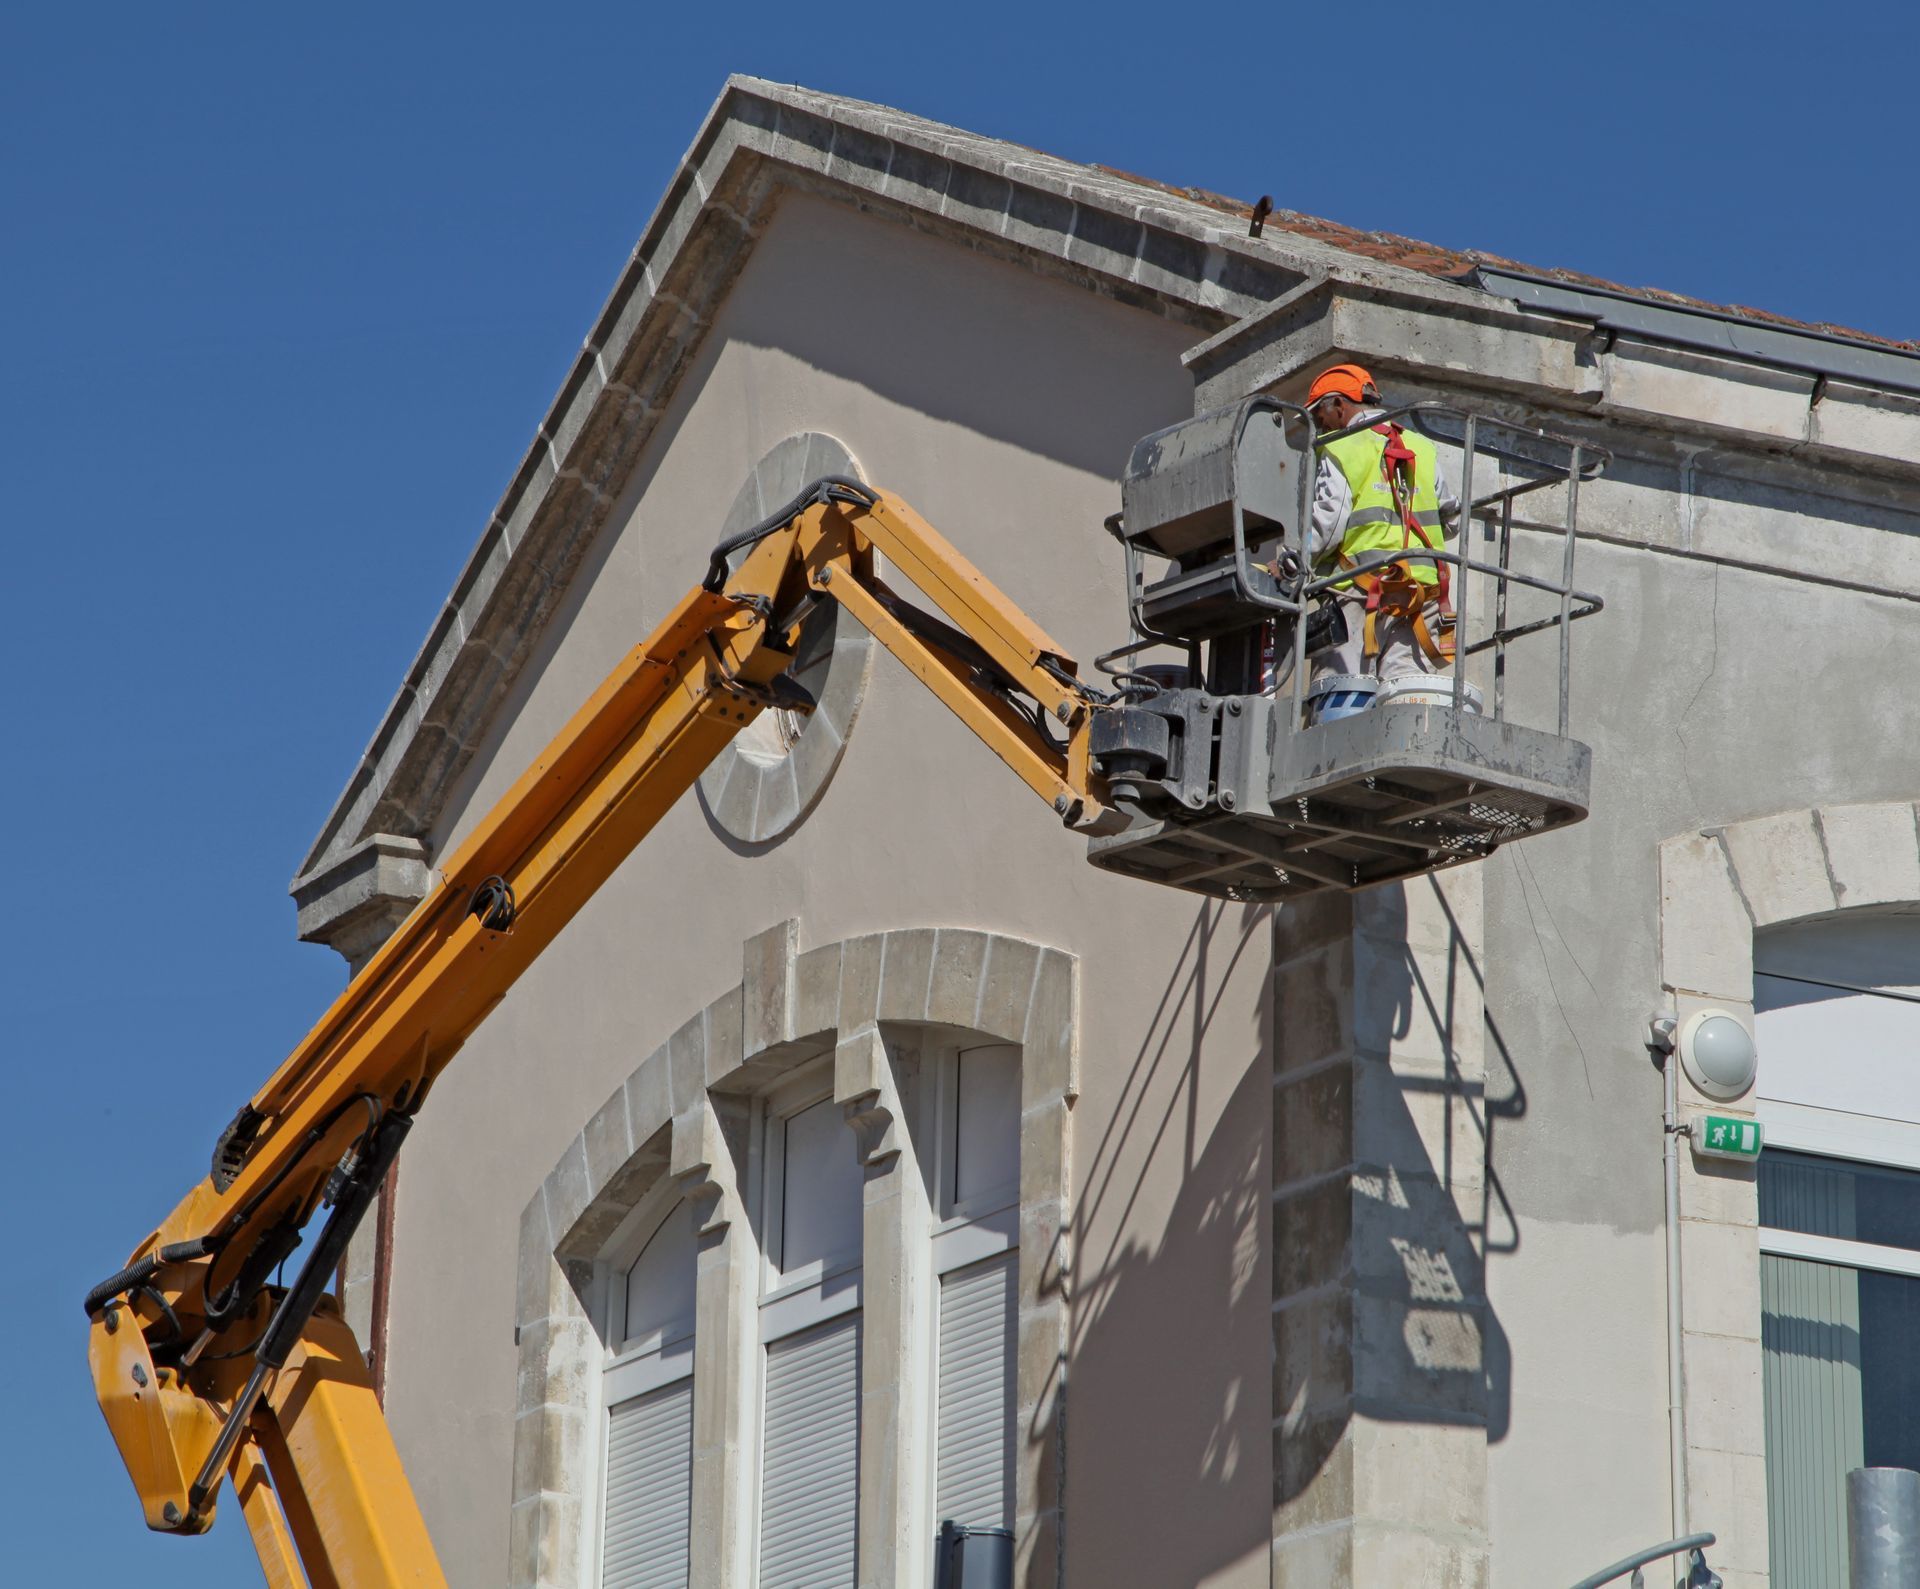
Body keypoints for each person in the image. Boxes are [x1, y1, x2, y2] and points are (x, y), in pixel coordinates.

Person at [1302, 363, 1460, 684]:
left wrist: (1294, 561)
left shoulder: (1339, 446)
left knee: (1343, 695)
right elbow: (1452, 518)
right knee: (1403, 697)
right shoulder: (1421, 446)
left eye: (1319, 414)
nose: (1319, 425)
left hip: (1360, 593)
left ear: (1339, 404)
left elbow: (1327, 528)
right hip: (1419, 595)